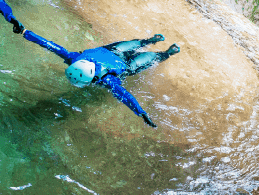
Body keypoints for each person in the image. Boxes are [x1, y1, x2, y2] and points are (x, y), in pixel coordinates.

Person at [21, 30, 179, 128]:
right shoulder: (78, 61)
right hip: (120, 57)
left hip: (119, 57)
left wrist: (141, 113)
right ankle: (158, 47)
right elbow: (49, 45)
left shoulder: (100, 75)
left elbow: (125, 96)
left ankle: (157, 46)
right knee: (142, 51)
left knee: (142, 51)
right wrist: (25, 32)